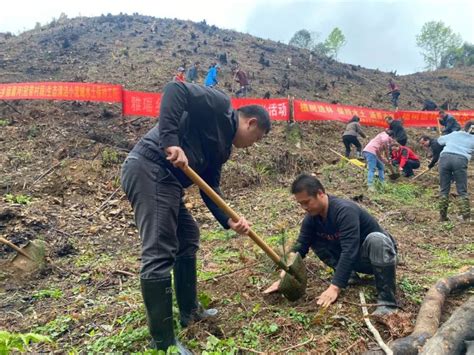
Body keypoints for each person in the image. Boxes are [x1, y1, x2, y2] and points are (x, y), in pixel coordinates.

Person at [121, 81, 271, 352]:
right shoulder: (220, 105)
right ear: (250, 123)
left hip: (167, 182)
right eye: (257, 138)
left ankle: (189, 311)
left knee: (188, 236)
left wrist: (229, 219)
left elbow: (209, 186)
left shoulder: (223, 149)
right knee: (159, 250)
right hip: (149, 168)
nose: (253, 145)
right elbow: (174, 91)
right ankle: (163, 341)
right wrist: (170, 141)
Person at [265, 174, 398, 316]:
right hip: (354, 259)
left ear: (320, 194)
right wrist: (284, 276)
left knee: (376, 239)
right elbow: (300, 247)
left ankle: (387, 302)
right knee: (314, 240)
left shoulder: (345, 211)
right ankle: (350, 276)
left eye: (307, 202)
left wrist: (335, 287)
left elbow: (349, 250)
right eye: (300, 204)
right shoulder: (311, 219)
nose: (304, 208)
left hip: (377, 258)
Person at [437, 120, 474, 222]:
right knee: (462, 189)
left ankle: (442, 216)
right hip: (460, 160)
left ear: (464, 127)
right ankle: (465, 217)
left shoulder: (455, 134)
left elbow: (440, 141)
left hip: (444, 158)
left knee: (444, 189)